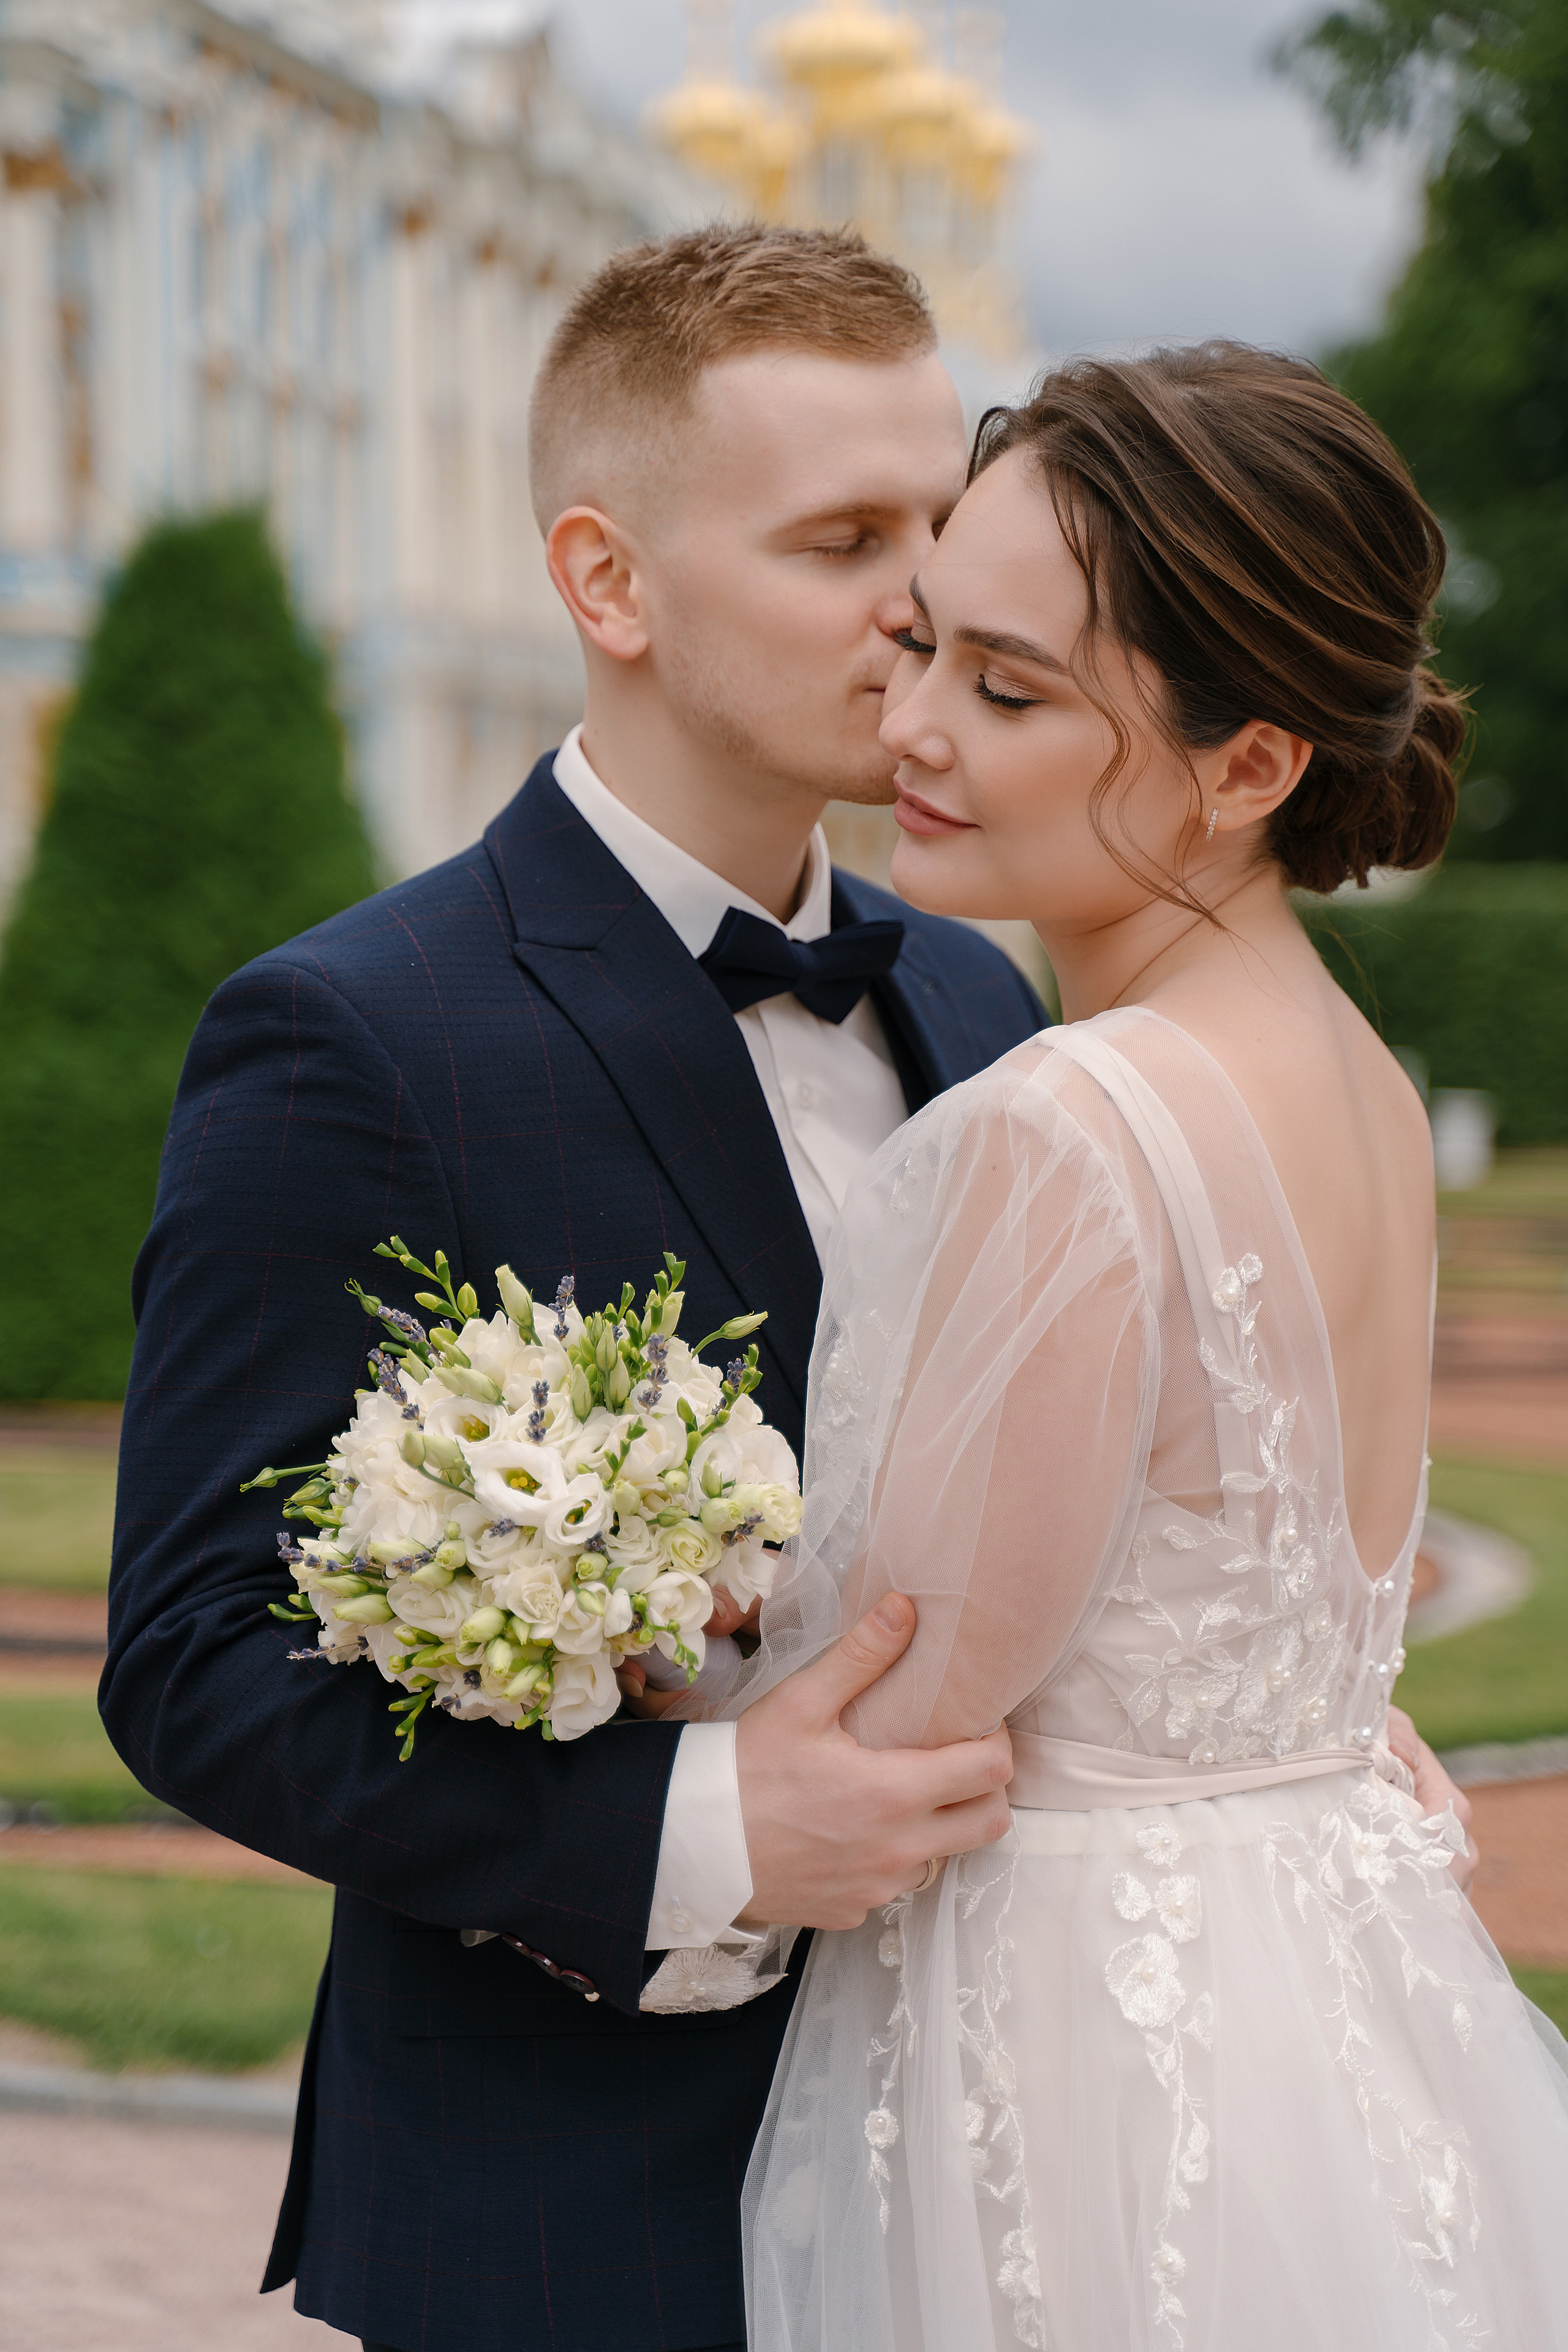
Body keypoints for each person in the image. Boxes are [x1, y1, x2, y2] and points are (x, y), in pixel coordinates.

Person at [99, 225, 1034, 2352]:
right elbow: (190, 1662)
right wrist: (698, 1819)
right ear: (609, 582)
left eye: (944, 524)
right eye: (841, 538)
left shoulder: (975, 988)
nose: (927, 600)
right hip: (576, 2212)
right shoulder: (347, 1031)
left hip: (988, 2151)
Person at [680, 343, 1561, 2350]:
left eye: (1007, 691)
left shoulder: (1078, 1127)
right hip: (1331, 1974)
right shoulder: (1358, 1075)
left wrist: (607, 1658)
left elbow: (911, 1702)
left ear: (1251, 764)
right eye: (921, 650)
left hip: (1085, 2042)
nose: (908, 728)